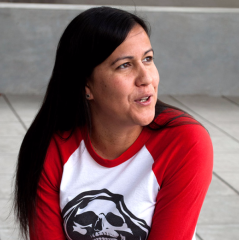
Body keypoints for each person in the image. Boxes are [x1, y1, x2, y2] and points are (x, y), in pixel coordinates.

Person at [14, 6, 213, 240]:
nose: (146, 78)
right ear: (86, 86)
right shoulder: (51, 147)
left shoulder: (184, 142)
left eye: (148, 59)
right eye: (124, 65)